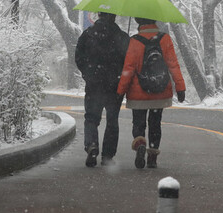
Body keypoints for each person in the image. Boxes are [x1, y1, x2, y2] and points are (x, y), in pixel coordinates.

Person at [116, 17, 186, 169]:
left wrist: (120, 91)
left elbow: (128, 69)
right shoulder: (165, 39)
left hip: (138, 91)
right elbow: (173, 65)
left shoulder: (135, 41)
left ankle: (140, 143)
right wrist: (180, 87)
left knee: (139, 123)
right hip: (160, 90)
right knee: (155, 123)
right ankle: (152, 156)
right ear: (154, 21)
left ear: (138, 22)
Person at [74, 12, 129, 167]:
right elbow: (129, 62)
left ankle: (92, 145)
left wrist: (87, 73)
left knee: (91, 118)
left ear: (99, 15)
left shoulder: (88, 34)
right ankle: (108, 156)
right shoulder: (122, 37)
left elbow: (78, 56)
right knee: (112, 120)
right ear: (115, 16)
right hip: (115, 86)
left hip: (94, 84)